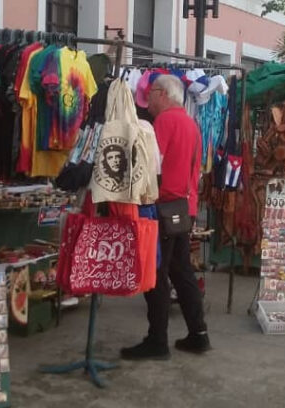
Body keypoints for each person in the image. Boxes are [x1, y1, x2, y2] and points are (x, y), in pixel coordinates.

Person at [121, 74, 209, 360]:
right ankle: (198, 334)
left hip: (163, 206)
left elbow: (149, 166)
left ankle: (157, 341)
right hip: (183, 208)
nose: (149, 101)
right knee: (182, 272)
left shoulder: (165, 122)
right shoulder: (191, 124)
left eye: (152, 94)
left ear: (164, 94)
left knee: (156, 274)